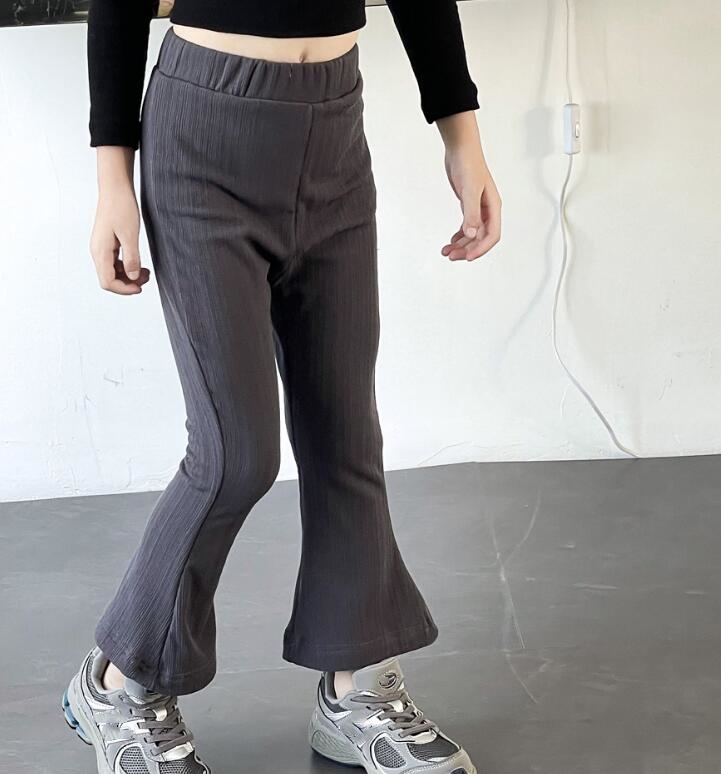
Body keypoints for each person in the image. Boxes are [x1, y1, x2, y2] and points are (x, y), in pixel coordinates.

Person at [61, 1, 502, 773]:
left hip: (332, 123)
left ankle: (355, 686)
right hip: (203, 133)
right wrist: (112, 180)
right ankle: (121, 680)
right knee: (234, 454)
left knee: (345, 435)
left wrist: (461, 140)